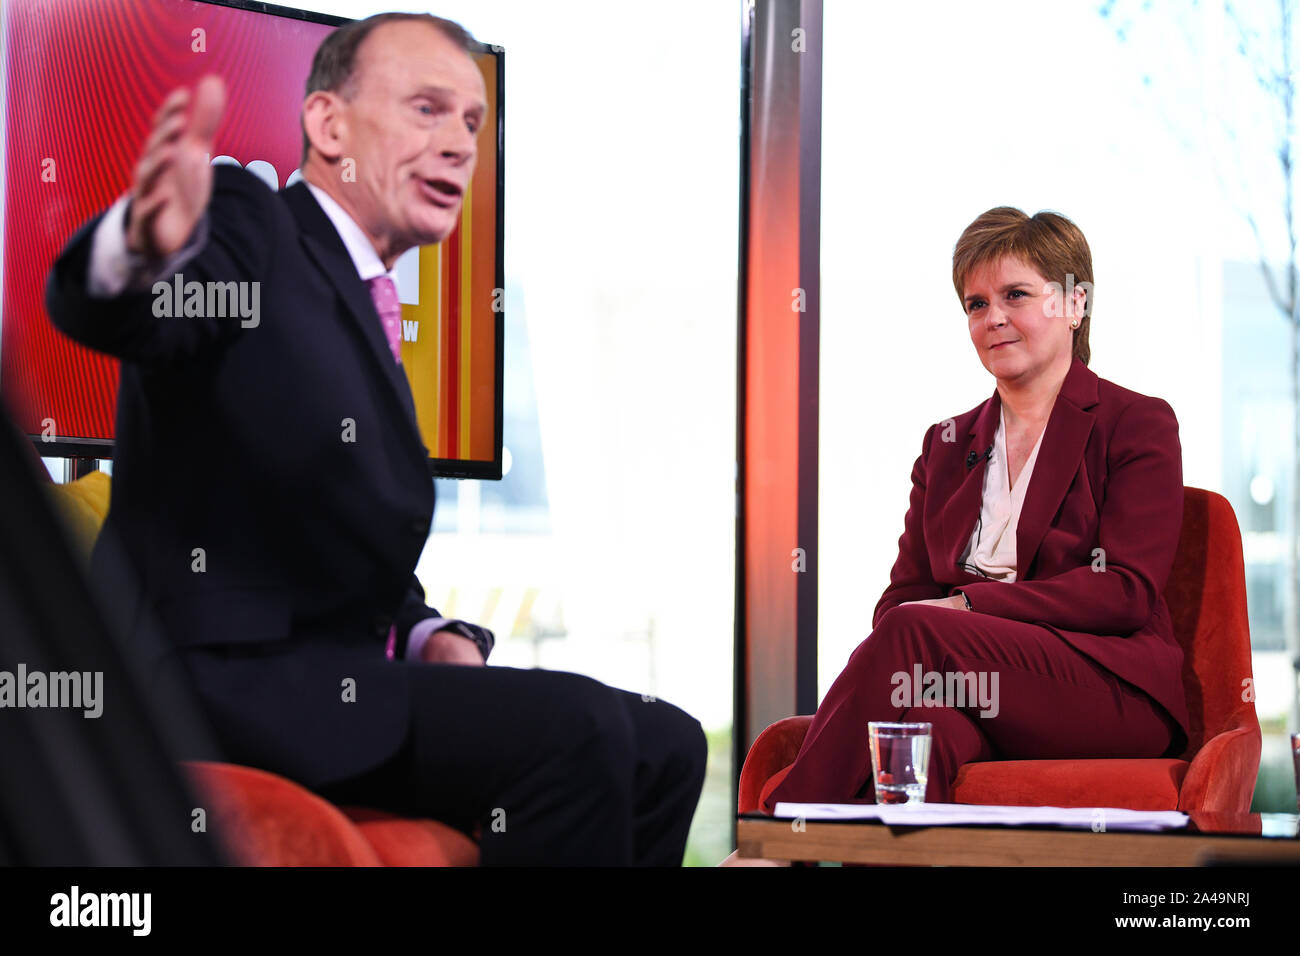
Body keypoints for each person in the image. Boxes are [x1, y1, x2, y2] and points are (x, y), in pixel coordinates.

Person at [44, 12, 706, 866]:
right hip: (217, 681)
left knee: (671, 743)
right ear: (328, 125)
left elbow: (332, 550)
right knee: (577, 731)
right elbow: (132, 307)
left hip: (340, 686)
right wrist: (137, 248)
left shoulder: (365, 302)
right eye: (427, 109)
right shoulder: (255, 222)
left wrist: (430, 635)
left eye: (472, 121)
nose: (461, 144)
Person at [761, 206, 1189, 812]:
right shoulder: (945, 445)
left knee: (916, 630)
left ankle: (778, 836)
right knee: (912, 741)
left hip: (1107, 689)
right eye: (975, 304)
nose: (994, 318)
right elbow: (900, 597)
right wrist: (939, 629)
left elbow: (1124, 591)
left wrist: (968, 604)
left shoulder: (1136, 423)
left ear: (1074, 304)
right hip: (974, 687)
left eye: (1015, 294)